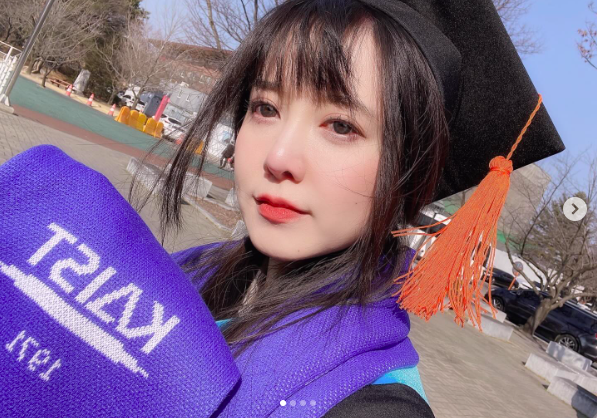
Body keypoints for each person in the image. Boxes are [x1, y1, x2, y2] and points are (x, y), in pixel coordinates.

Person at [0, 0, 565, 417]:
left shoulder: (371, 404)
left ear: (408, 174)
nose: (278, 157)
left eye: (341, 125)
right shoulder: (180, 278)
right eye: (265, 107)